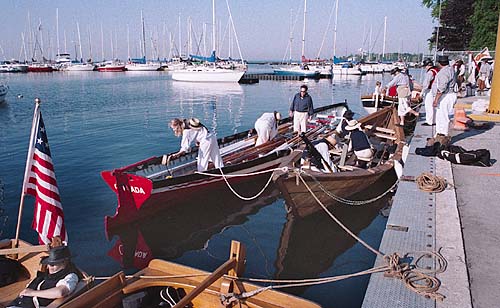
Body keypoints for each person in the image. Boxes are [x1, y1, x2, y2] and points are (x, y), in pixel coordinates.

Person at [7, 246, 81, 308]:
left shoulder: (71, 276)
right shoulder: (47, 275)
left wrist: (32, 293)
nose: (49, 268)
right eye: (48, 264)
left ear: (64, 262)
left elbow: (60, 292)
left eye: (52, 265)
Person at [432, 55, 457, 137]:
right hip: (451, 94)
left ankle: (442, 135)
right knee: (443, 115)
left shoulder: (443, 72)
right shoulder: (451, 69)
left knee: (442, 116)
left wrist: (436, 100)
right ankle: (441, 134)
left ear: (439, 63)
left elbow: (442, 87)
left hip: (446, 95)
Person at [420, 58, 439, 126]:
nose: (425, 68)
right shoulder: (437, 70)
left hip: (430, 90)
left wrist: (422, 92)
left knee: (429, 106)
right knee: (434, 107)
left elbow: (426, 83)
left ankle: (429, 121)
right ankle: (434, 120)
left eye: (425, 66)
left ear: (428, 65)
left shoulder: (430, 72)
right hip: (436, 90)